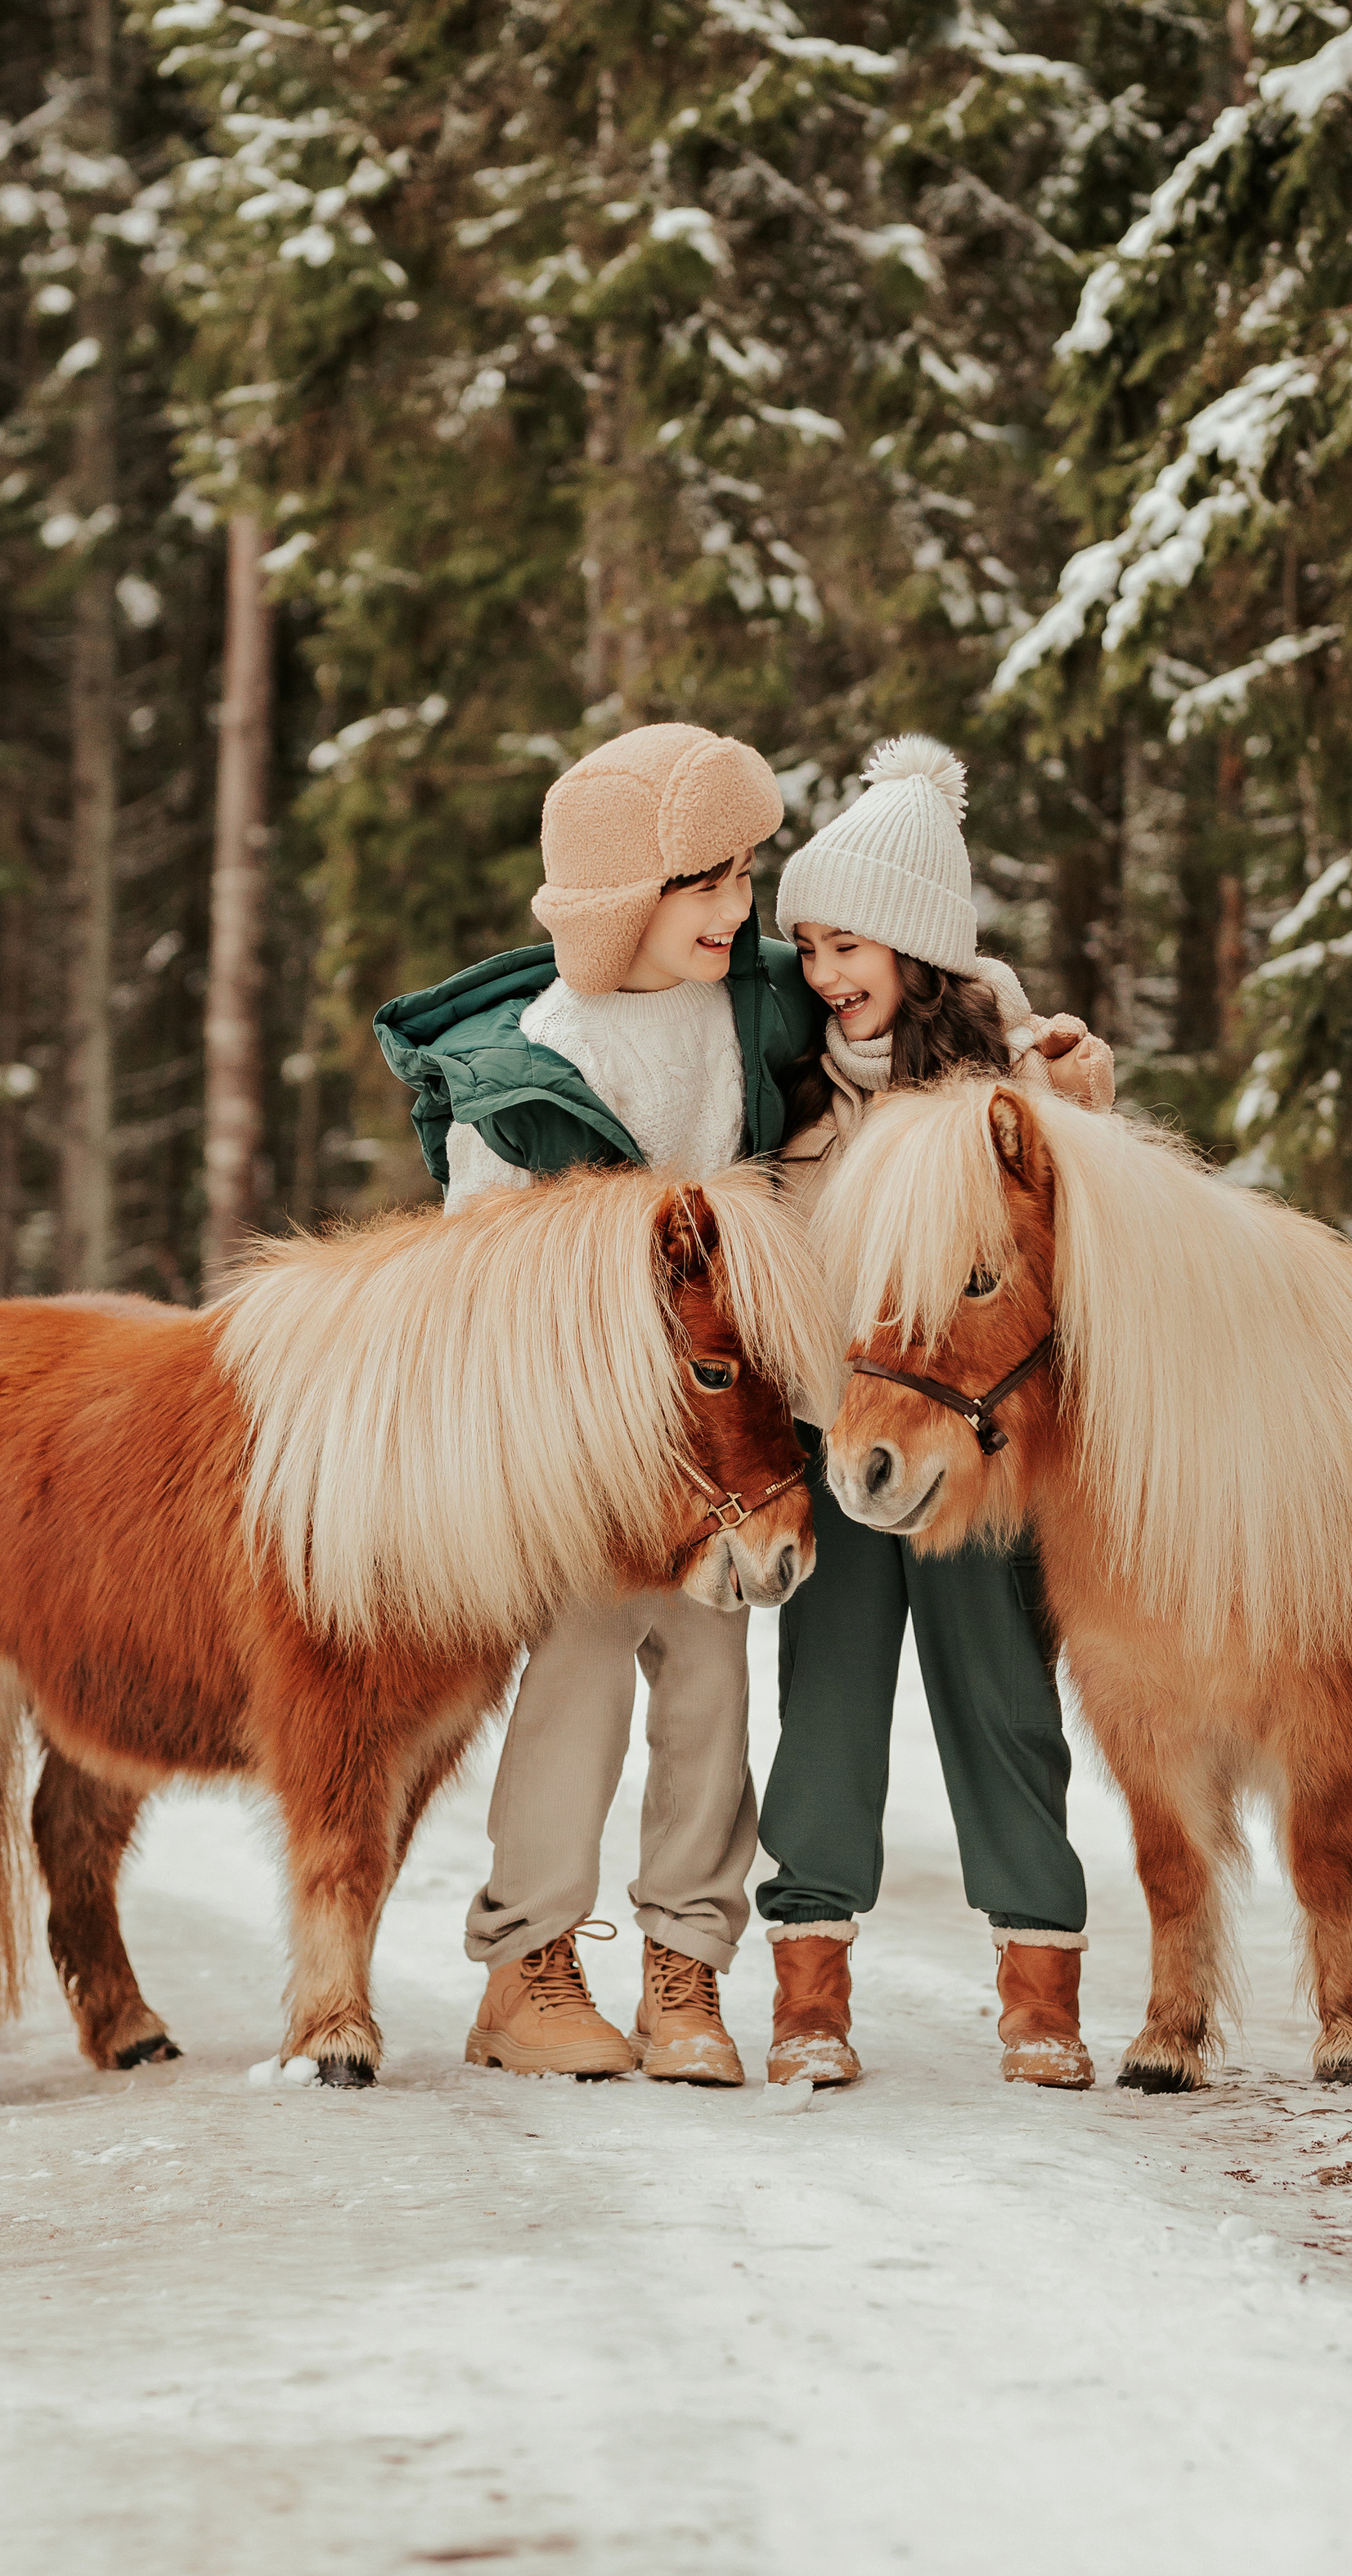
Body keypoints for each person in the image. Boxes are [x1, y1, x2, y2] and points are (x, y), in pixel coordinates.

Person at [374, 722, 821, 2086]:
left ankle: (686, 1967)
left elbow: (901, 1000)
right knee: (573, 1686)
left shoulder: (757, 1008)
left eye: (748, 875)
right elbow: (484, 1275)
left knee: (710, 1692)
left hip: (724, 1437)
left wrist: (1032, 1032)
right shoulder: (523, 1078)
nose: (742, 908)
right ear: (628, 898)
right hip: (585, 1449)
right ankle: (531, 1965)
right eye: (708, 882)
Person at [759, 735, 1116, 2091]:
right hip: (836, 1436)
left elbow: (1084, 1248)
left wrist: (1085, 1099)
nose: (825, 975)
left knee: (1005, 1702)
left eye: (848, 943)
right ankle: (808, 1994)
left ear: (914, 945)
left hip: (974, 1451)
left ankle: (1039, 1991)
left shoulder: (1014, 1096)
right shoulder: (793, 1095)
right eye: (809, 949)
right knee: (830, 1708)